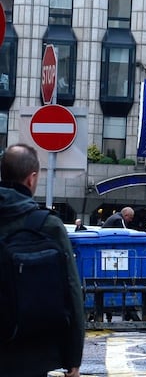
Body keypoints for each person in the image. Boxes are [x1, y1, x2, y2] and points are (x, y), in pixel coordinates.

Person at [0, 143, 85, 377]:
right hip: (32, 352)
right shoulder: (47, 225)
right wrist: (73, 358)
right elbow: (72, 291)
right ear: (31, 178)